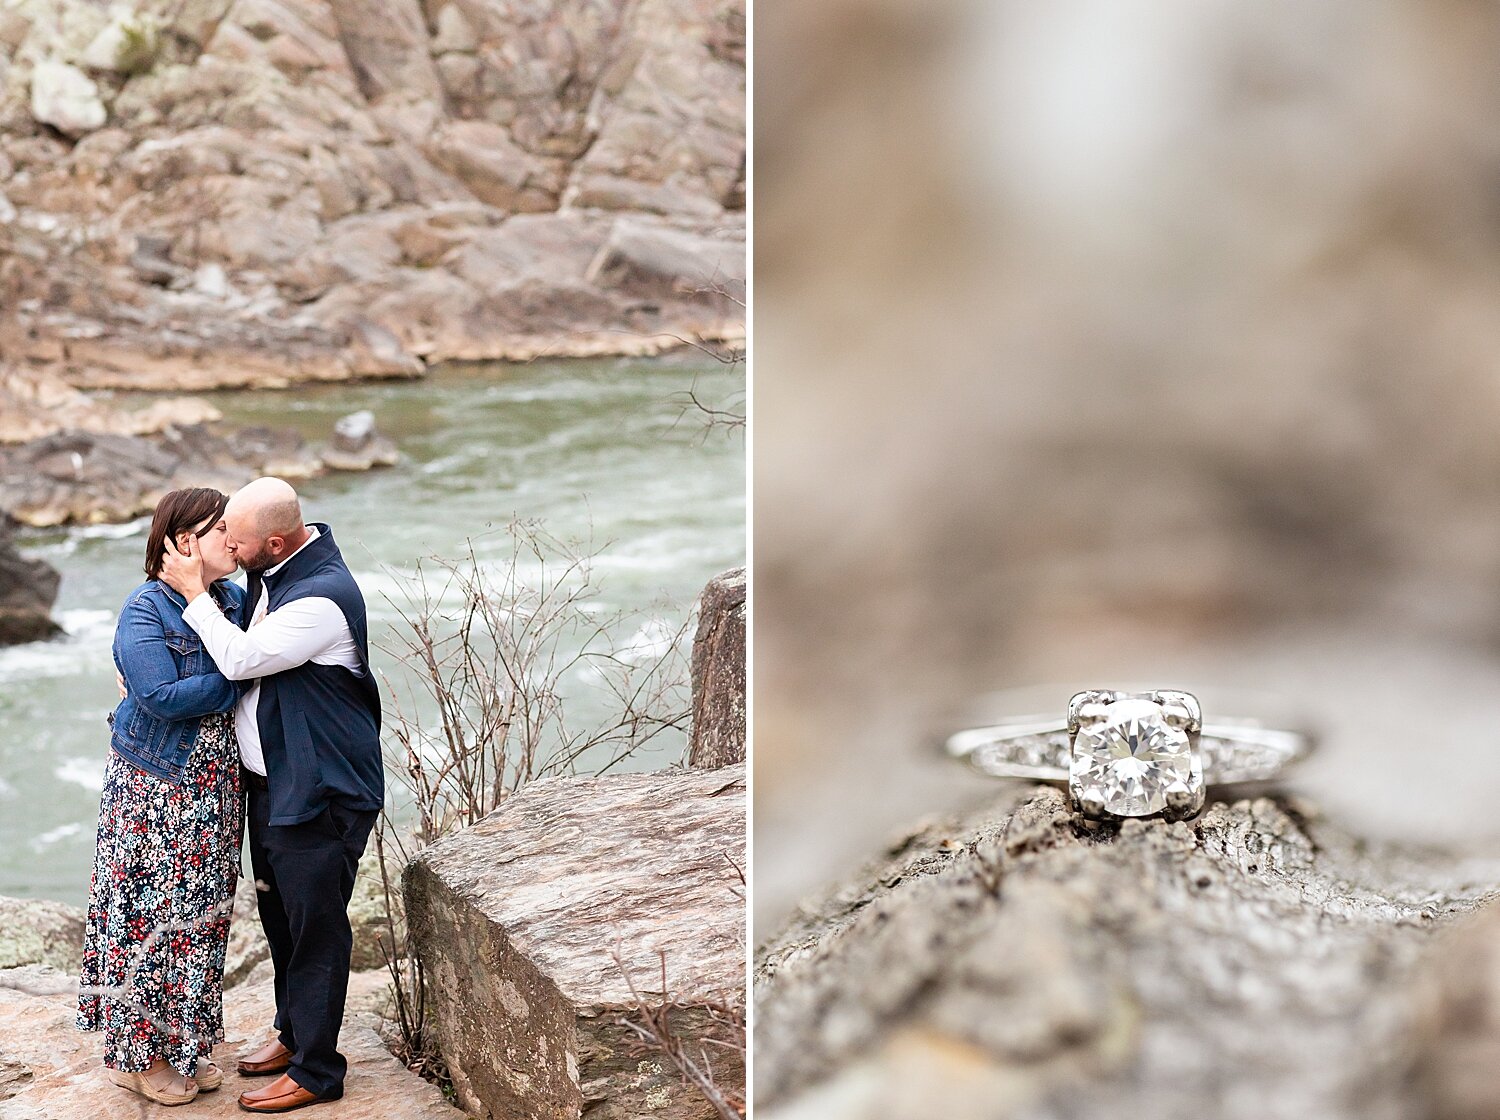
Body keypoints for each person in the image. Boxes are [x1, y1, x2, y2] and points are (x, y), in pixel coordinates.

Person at [158, 476, 384, 1114]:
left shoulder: (321, 600)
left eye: (236, 537)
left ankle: (318, 1071)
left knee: (315, 927)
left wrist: (194, 593)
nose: (226, 543)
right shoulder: (274, 569)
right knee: (281, 918)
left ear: (276, 542)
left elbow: (239, 659)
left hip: (323, 791)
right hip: (276, 784)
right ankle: (293, 1033)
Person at [77, 487, 246, 1107]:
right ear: (181, 542)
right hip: (155, 789)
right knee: (146, 923)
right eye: (219, 528)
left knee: (199, 922)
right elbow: (158, 698)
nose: (233, 539)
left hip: (215, 790)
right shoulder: (144, 609)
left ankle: (185, 1045)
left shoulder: (229, 597)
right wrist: (239, 672)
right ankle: (138, 1060)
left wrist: (238, 663)